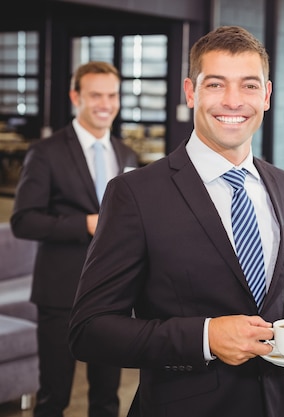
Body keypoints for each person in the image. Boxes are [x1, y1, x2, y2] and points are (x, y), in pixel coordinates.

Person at [68, 26, 284, 417]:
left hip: (276, 405)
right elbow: (90, 330)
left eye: (249, 86)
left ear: (267, 95)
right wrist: (206, 336)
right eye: (216, 85)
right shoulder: (134, 194)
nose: (233, 101)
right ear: (190, 92)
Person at [10, 61, 138, 417]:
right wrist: (85, 223)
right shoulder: (45, 152)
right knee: (54, 397)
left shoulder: (125, 153)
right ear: (75, 97)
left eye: (112, 95)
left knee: (107, 399)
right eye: (95, 95)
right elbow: (23, 221)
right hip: (60, 293)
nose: (105, 104)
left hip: (113, 295)